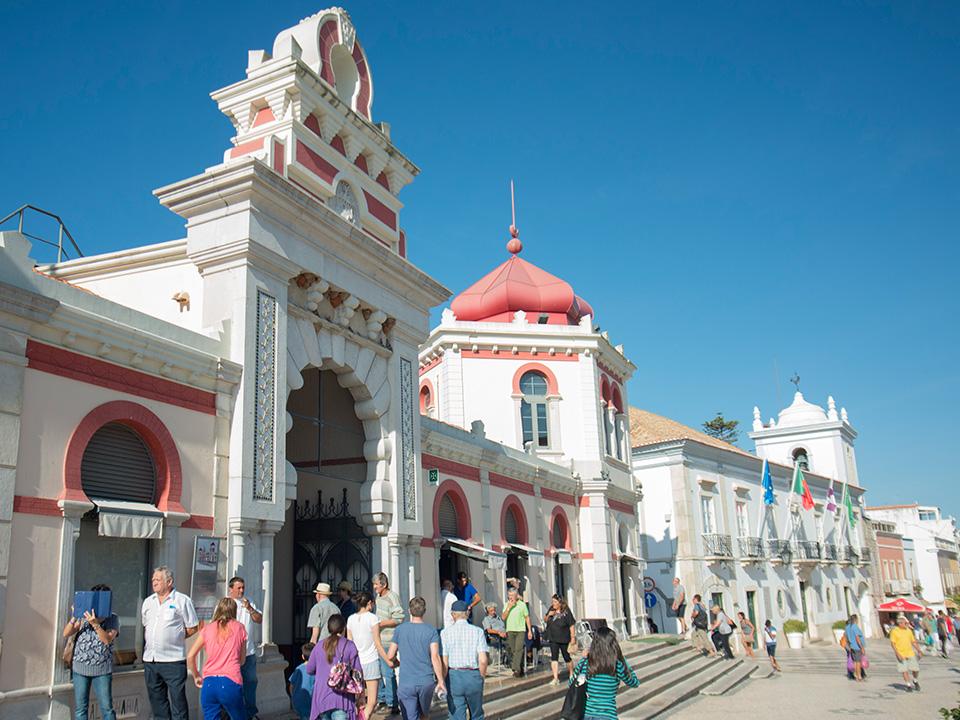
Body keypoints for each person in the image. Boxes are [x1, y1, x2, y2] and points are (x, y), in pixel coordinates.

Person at [142, 566, 199, 720]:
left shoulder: (182, 600)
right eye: (153, 579)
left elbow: (193, 627)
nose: (154, 582)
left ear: (169, 582)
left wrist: (176, 637)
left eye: (158, 579)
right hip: (151, 660)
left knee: (178, 703)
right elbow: (146, 626)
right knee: (157, 702)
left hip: (173, 661)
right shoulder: (148, 602)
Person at [63, 583, 120, 720]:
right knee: (81, 709)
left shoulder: (112, 618)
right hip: (80, 668)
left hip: (101, 671)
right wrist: (75, 615)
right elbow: (66, 633)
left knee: (107, 709)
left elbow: (107, 639)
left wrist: (95, 624)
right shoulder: (84, 616)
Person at [386, 597, 446, 720]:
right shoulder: (431, 631)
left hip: (406, 682)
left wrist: (397, 662)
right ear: (425, 611)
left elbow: (390, 655)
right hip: (426, 680)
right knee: (424, 714)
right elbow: (435, 657)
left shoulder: (400, 630)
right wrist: (440, 680)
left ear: (409, 611)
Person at [188, 597, 248, 720]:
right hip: (231, 680)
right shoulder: (239, 628)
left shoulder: (207, 629)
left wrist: (196, 676)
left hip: (209, 682)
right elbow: (242, 660)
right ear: (234, 611)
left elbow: (190, 656)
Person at [568, 627, 638, 720]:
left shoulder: (585, 663)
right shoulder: (617, 666)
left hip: (586, 715)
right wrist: (622, 659)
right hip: (608, 715)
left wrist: (584, 658)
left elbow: (571, 683)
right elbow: (634, 682)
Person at [305, 614, 362, 720]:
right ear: (344, 628)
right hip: (342, 698)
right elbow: (358, 673)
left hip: (321, 696)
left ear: (328, 628)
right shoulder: (349, 645)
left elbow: (309, 669)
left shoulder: (319, 645)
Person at [440, 601, 489, 720]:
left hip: (454, 677)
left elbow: (444, 662)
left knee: (456, 715)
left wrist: (442, 680)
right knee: (477, 715)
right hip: (473, 675)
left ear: (453, 615)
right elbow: (483, 660)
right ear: (467, 613)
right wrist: (481, 677)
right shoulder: (478, 631)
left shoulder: (445, 633)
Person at [347, 592, 389, 720]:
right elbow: (377, 642)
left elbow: (350, 643)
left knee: (359, 700)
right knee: (372, 701)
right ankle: (363, 718)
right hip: (371, 660)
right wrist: (388, 660)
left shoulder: (351, 619)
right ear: (369, 603)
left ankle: (359, 717)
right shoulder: (373, 618)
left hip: (355, 662)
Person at [227, 576, 263, 719]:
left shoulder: (249, 601)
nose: (241, 590)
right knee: (232, 685)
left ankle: (250, 713)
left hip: (248, 652)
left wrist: (249, 608)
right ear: (231, 589)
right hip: (231, 654)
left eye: (243, 587)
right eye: (238, 588)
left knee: (251, 681)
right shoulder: (226, 604)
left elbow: (259, 619)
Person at [373, 572, 405, 715]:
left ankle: (393, 703)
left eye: (376, 585)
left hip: (388, 640)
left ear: (384, 584)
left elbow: (399, 618)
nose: (374, 587)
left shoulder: (392, 597)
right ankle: (382, 699)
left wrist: (380, 624)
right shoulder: (378, 597)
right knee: (378, 671)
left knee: (388, 672)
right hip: (378, 640)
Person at [543, 594, 577, 685]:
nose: (553, 603)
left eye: (555, 602)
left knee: (566, 657)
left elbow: (571, 624)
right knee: (554, 657)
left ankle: (571, 673)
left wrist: (573, 637)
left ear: (560, 603)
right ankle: (555, 678)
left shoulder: (566, 611)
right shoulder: (551, 609)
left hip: (563, 638)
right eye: (552, 601)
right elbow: (545, 619)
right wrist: (549, 615)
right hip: (553, 637)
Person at [502, 587, 532, 678]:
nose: (510, 597)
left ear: (516, 596)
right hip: (510, 629)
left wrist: (529, 630)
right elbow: (503, 617)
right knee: (512, 650)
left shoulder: (522, 605)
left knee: (519, 649)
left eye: (512, 595)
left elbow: (527, 618)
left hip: (520, 630)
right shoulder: (506, 604)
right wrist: (509, 608)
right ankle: (520, 667)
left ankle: (515, 669)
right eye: (509, 595)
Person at [889, 614, 921, 692]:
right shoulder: (894, 631)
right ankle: (908, 685)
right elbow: (893, 644)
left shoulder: (908, 631)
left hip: (910, 653)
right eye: (905, 623)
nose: (906, 624)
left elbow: (913, 641)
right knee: (904, 670)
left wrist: (919, 650)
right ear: (900, 623)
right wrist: (897, 654)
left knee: (916, 669)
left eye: (906, 623)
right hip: (901, 653)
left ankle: (915, 680)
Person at [288, 642, 316, 720]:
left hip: (299, 702)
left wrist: (293, 698)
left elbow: (291, 686)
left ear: (303, 656)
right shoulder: (317, 670)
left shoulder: (298, 669)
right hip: (312, 702)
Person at [845, 614, 866, 682]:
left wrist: (849, 645)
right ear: (855, 619)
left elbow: (846, 637)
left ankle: (856, 675)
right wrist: (862, 647)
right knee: (858, 662)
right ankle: (859, 676)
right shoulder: (854, 626)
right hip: (857, 647)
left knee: (855, 662)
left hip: (852, 646)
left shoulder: (847, 627)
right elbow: (857, 638)